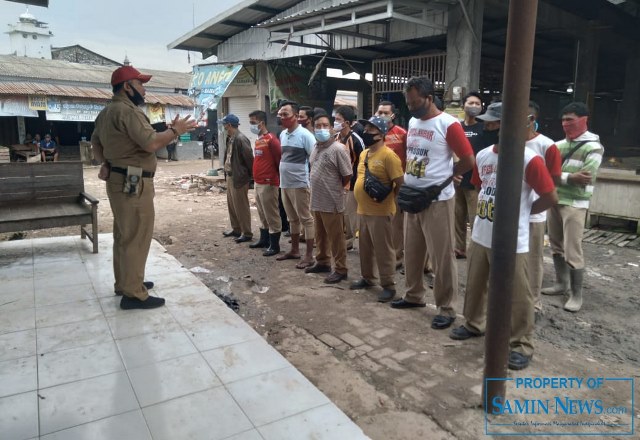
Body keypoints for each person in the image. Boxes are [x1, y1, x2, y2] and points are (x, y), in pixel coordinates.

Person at [449, 102, 558, 370]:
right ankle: (474, 323)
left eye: (494, 122)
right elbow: (479, 187)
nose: (488, 126)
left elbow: (550, 196)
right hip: (482, 232)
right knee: (475, 285)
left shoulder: (528, 158)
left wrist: (522, 213)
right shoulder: (485, 155)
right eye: (488, 122)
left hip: (513, 239)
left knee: (519, 294)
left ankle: (521, 344)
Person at [91, 65, 196, 310]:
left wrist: (105, 163)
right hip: (133, 180)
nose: (144, 89)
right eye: (140, 84)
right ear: (127, 87)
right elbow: (150, 143)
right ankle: (133, 294)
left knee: (124, 234)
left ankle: (126, 282)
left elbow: (95, 141)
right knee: (137, 235)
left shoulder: (107, 112)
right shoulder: (128, 112)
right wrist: (174, 131)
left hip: (120, 178)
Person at [390, 76, 475, 332]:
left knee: (441, 256)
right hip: (413, 196)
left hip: (437, 200)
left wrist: (447, 179)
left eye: (415, 103)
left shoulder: (448, 124)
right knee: (412, 251)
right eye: (408, 103)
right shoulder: (414, 121)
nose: (411, 108)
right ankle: (413, 295)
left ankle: (446, 307)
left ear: (429, 98)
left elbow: (468, 160)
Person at [542, 102, 604, 312]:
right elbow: (548, 173)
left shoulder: (594, 146)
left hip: (576, 204)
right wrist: (569, 177)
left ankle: (576, 295)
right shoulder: (558, 146)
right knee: (556, 245)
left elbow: (586, 177)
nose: (565, 123)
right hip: (554, 200)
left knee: (572, 249)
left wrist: (560, 176)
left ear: (584, 119)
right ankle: (561, 284)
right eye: (563, 120)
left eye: (570, 119)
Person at [351, 116, 404, 302]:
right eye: (365, 128)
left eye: (371, 129)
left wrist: (390, 201)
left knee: (384, 250)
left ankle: (388, 285)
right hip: (363, 210)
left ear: (381, 134)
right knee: (364, 247)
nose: (366, 132)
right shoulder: (365, 153)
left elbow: (400, 183)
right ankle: (367, 277)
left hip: (381, 212)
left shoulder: (389, 156)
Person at [305, 113, 353, 283]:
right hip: (317, 200)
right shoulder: (316, 147)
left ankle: (341, 268)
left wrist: (335, 188)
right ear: (313, 128)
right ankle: (323, 261)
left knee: (336, 237)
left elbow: (347, 175)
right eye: (318, 126)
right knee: (320, 235)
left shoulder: (338, 149)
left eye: (325, 125)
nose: (322, 129)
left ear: (331, 128)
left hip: (331, 200)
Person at [524, 101, 561, 316]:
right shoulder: (507, 142)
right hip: (507, 214)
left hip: (533, 214)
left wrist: (531, 209)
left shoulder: (547, 146)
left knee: (532, 261)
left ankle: (533, 306)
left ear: (531, 120)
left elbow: (553, 183)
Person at [275, 101, 317, 268]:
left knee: (306, 219)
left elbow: (314, 158)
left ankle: (309, 255)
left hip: (300, 184)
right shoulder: (283, 134)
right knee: (292, 218)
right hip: (285, 184)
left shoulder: (305, 135)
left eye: (285, 114)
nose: (281, 117)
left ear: (295, 117)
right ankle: (294, 250)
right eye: (280, 114)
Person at [376, 101, 407, 269]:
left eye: (384, 113)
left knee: (396, 223)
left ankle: (397, 255)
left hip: (396, 184)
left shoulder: (402, 134)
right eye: (379, 112)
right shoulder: (374, 133)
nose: (381, 115)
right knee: (381, 221)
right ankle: (383, 252)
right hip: (377, 185)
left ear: (392, 115)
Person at [453, 92, 484, 259]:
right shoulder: (458, 128)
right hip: (458, 180)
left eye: (477, 103)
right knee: (457, 217)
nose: (473, 106)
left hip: (475, 182)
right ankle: (460, 248)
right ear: (463, 106)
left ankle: (476, 250)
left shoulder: (483, 128)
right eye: (470, 103)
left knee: (475, 218)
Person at [248, 110, 283, 256]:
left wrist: (273, 178)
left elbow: (279, 161)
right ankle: (264, 240)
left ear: (261, 123)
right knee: (262, 213)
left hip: (269, 183)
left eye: (253, 123)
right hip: (258, 182)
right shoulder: (258, 140)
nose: (251, 125)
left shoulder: (271, 140)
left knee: (271, 214)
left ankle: (274, 246)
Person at [334, 105, 365, 250]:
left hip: (352, 184)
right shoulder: (335, 138)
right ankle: (340, 238)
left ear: (346, 123)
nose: (335, 122)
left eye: (337, 119)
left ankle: (349, 241)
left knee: (350, 215)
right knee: (339, 214)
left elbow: (363, 161)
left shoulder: (356, 140)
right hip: (336, 183)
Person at [220, 114, 254, 243]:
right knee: (232, 206)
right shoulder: (231, 138)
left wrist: (250, 178)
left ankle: (247, 232)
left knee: (241, 206)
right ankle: (236, 229)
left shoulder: (241, 139)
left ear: (229, 125)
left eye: (224, 124)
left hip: (239, 178)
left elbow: (249, 159)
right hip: (230, 176)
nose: (223, 127)